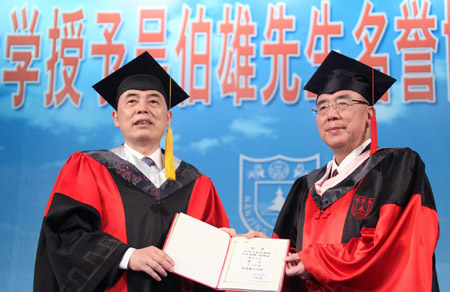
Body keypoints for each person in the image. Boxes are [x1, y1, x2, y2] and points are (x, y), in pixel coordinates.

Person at [33, 52, 231, 292]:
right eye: (132, 101)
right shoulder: (89, 168)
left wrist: (230, 246)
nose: (143, 109)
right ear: (116, 117)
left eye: (154, 101)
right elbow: (65, 237)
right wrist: (126, 256)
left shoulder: (198, 183)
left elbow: (213, 269)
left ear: (168, 117)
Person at [272, 51, 440, 291]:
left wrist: (316, 261)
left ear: (370, 115)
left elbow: (395, 250)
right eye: (322, 106)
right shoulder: (304, 188)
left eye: (343, 102)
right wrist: (264, 250)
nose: (331, 114)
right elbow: (292, 257)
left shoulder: (398, 169)